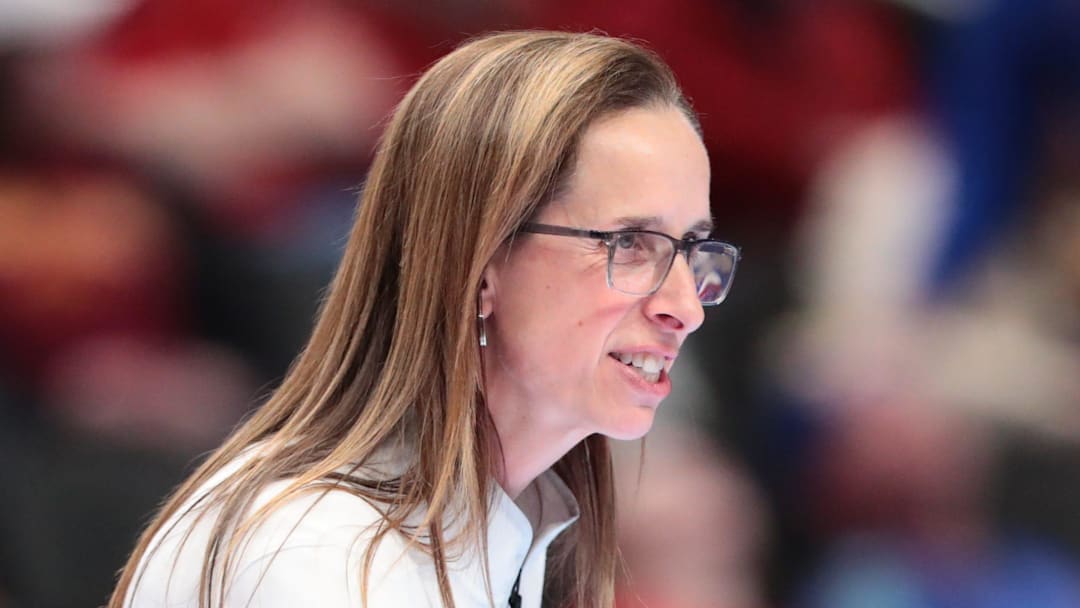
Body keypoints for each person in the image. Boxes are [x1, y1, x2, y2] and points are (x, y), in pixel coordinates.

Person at [109, 30, 740, 608]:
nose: (685, 309)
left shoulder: (503, 536)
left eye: (693, 250)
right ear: (479, 263)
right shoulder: (321, 555)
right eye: (631, 243)